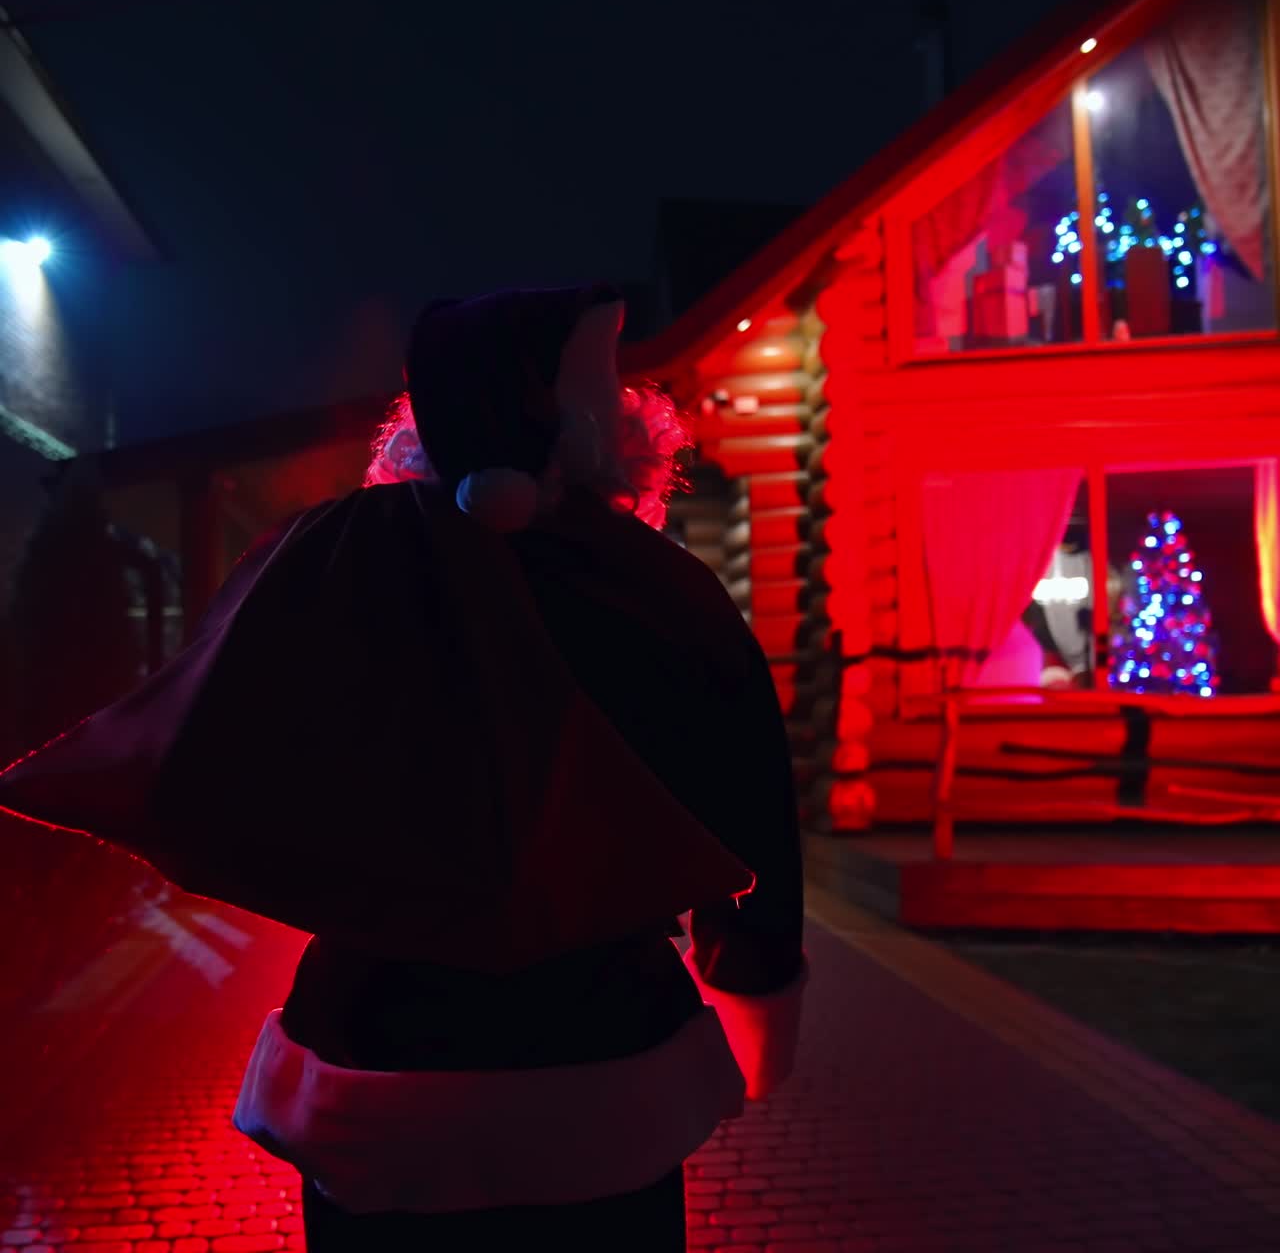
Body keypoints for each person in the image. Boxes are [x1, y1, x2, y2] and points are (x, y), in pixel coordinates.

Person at [0, 285, 806, 1251]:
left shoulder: (336, 559)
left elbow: (212, 732)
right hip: (601, 1055)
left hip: (370, 1062)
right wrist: (753, 984)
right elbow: (746, 798)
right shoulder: (655, 587)